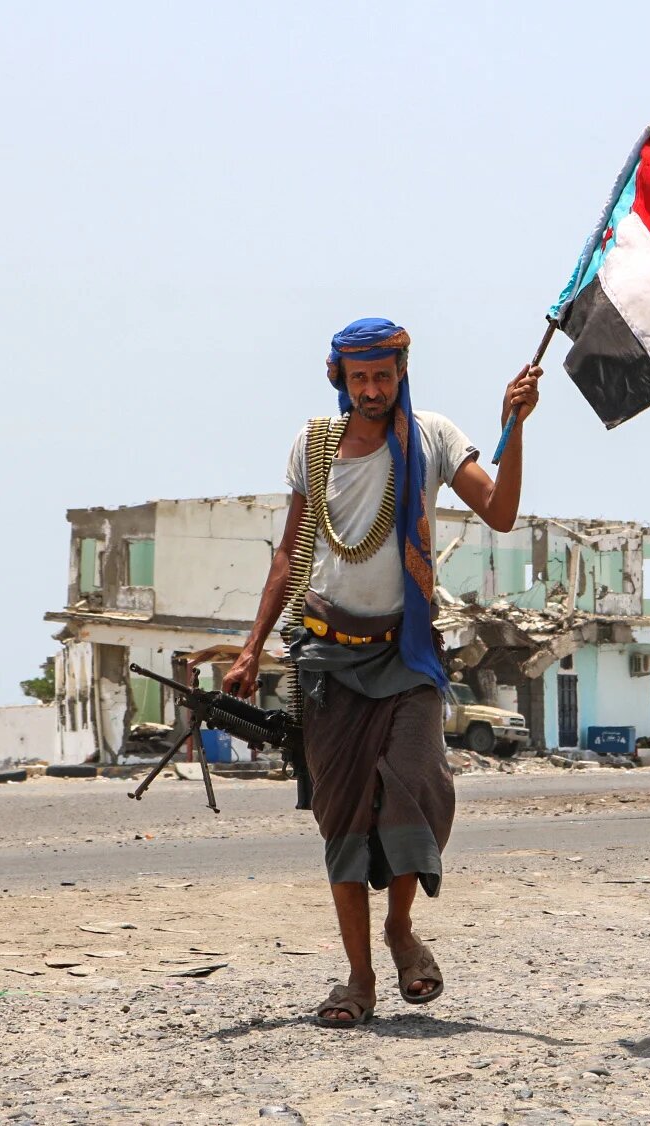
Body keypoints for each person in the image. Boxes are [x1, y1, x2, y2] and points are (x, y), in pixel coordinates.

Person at [222, 317, 538, 1028]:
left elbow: (503, 512)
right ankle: (359, 979)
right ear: (339, 378)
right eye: (360, 377)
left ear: (402, 374)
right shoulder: (314, 449)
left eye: (384, 376)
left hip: (408, 654)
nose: (373, 390)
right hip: (329, 658)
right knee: (342, 820)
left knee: (416, 788)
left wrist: (514, 428)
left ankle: (400, 929)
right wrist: (250, 648)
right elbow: (287, 558)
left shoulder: (431, 439)